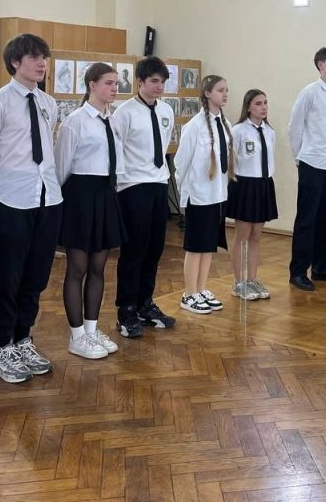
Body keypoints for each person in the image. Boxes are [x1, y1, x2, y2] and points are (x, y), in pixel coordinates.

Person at [0, 34, 62, 384]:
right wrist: (2, 191)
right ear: (14, 62)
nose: (42, 64)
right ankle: (3, 346)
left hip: (47, 199)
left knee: (36, 277)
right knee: (8, 278)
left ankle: (23, 338)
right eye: (34, 57)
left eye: (44, 58)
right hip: (11, 202)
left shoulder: (48, 103)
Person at [54, 63, 126, 360]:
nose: (114, 88)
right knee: (78, 268)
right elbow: (61, 167)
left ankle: (91, 329)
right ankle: (76, 336)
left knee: (98, 267)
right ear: (92, 85)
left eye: (116, 83)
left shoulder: (113, 119)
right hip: (80, 196)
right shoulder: (76, 121)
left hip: (105, 194)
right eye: (108, 83)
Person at [111, 56, 177, 337]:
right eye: (154, 81)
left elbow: (163, 145)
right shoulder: (124, 112)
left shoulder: (166, 110)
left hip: (158, 183)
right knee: (135, 249)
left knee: (155, 247)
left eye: (162, 82)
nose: (159, 86)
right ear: (139, 82)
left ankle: (145, 303)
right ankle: (126, 308)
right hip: (133, 186)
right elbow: (117, 151)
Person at [174, 75, 234, 313]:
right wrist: (186, 196)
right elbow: (181, 164)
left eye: (227, 90)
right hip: (199, 195)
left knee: (209, 245)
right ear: (208, 93)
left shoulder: (225, 124)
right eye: (220, 90)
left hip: (218, 195)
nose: (225, 94)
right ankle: (189, 293)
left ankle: (201, 288)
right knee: (196, 246)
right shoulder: (194, 126)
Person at [288, 47, 326, 291]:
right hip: (311, 162)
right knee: (307, 219)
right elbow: (295, 127)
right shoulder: (309, 92)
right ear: (320, 65)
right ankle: (298, 271)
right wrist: (299, 158)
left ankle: (322, 267)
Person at [228, 89, 278, 300]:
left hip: (263, 184)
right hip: (245, 185)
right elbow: (232, 160)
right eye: (258, 103)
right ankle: (239, 282)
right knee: (243, 235)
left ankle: (252, 279)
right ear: (248, 107)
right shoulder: (239, 130)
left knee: (257, 235)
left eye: (265, 102)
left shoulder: (269, 131)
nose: (263, 107)